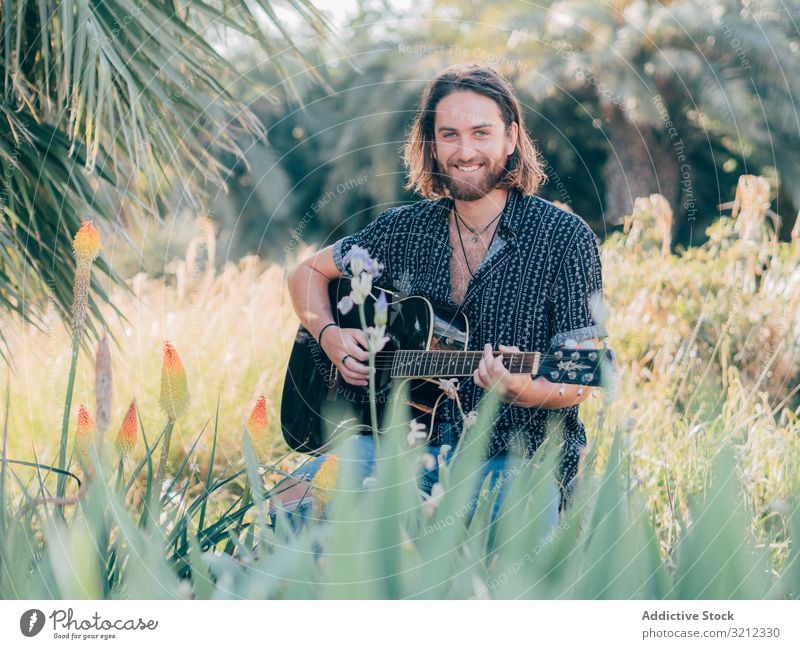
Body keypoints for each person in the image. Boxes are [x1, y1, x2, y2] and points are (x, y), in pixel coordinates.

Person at [279, 63, 607, 529]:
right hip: (392, 446)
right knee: (287, 511)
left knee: (508, 566)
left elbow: (584, 374)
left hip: (512, 456)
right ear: (431, 144)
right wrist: (329, 333)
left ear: (511, 138)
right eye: (449, 134)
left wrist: (527, 391)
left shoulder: (564, 239)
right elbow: (307, 273)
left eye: (480, 132)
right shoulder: (402, 229)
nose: (465, 150)